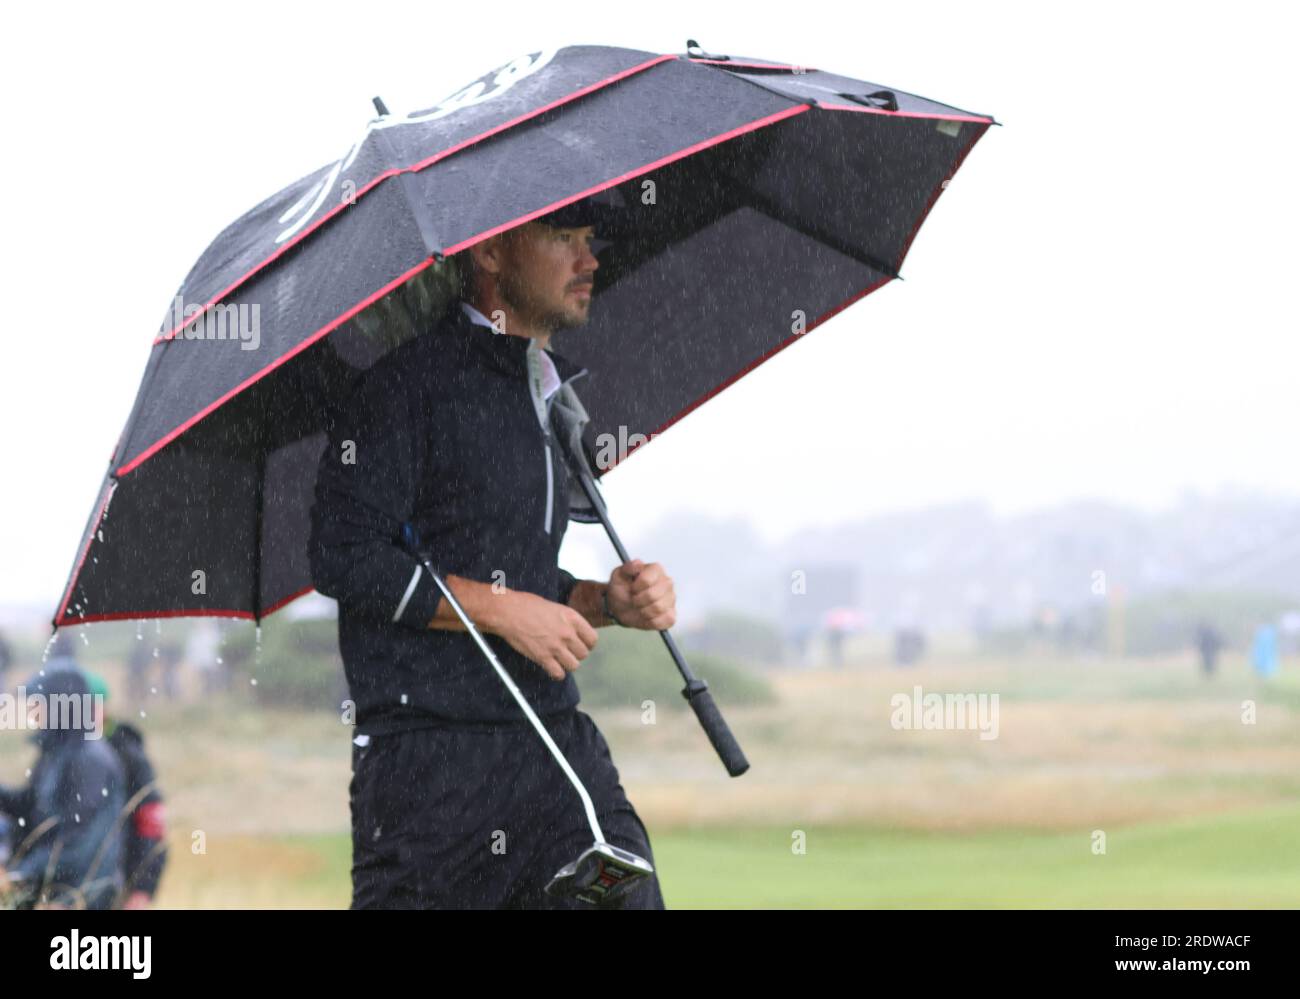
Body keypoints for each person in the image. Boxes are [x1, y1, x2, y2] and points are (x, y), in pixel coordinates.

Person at [310, 195, 675, 909]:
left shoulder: (543, 390)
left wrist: (606, 601)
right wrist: (504, 610)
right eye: (563, 236)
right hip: (429, 780)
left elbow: (523, 578)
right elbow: (345, 554)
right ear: (490, 252)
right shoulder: (402, 387)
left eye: (588, 238)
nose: (588, 258)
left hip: (556, 757)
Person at [0, 658, 126, 909]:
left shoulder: (90, 760)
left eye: (38, 704)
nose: (32, 712)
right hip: (51, 886)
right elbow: (33, 810)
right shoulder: (57, 752)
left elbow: (79, 842)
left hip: (81, 894)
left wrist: (20, 875)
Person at [85, 671, 168, 908]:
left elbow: (151, 823)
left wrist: (142, 889)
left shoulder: (128, 754)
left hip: (120, 880)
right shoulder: (59, 754)